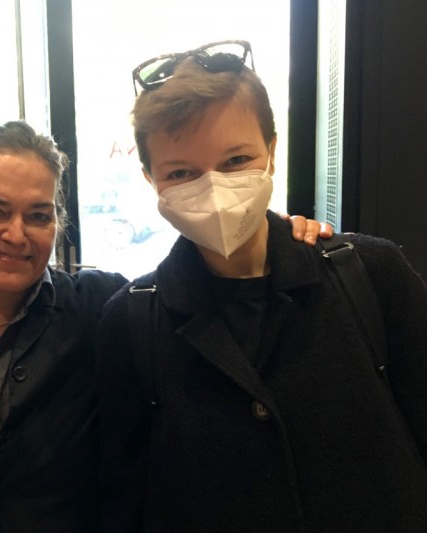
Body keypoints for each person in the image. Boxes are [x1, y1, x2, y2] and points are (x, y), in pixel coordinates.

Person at [0, 120, 330, 532]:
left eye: (38, 216)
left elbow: (209, 302)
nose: (16, 235)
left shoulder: (104, 308)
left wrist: (271, 238)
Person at [96, 40, 427, 532]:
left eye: (235, 161)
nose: (214, 189)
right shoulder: (132, 320)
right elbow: (123, 500)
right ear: (151, 179)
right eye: (182, 173)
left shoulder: (370, 276)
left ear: (271, 150)